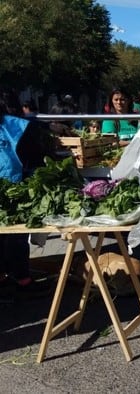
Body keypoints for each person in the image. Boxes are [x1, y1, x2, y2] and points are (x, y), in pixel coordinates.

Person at [1, 91, 56, 302]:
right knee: (17, 235)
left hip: (7, 185)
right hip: (14, 188)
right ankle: (22, 280)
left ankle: (3, 279)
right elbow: (38, 157)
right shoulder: (18, 126)